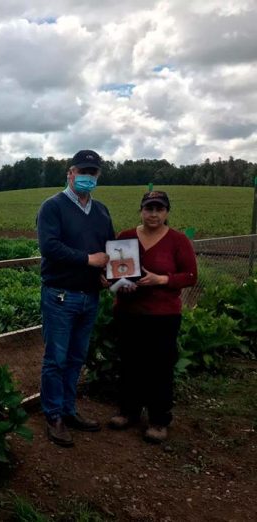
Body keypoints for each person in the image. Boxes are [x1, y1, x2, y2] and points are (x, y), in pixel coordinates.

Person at [36, 149, 115, 447]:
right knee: (55, 359)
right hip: (60, 295)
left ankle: (69, 410)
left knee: (75, 357)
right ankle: (53, 415)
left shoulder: (101, 211)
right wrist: (88, 260)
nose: (87, 177)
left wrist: (108, 271)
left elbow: (109, 247)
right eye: (82, 172)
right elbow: (50, 248)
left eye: (93, 173)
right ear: (70, 173)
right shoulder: (52, 207)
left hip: (89, 296)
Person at [108, 191, 197, 443]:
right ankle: (128, 411)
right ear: (141, 211)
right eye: (149, 209)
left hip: (163, 315)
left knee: (160, 367)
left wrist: (162, 279)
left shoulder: (178, 241)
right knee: (129, 363)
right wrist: (120, 284)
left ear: (167, 212)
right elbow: (114, 276)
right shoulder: (125, 238)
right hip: (128, 313)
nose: (154, 214)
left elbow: (190, 276)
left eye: (159, 209)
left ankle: (159, 419)